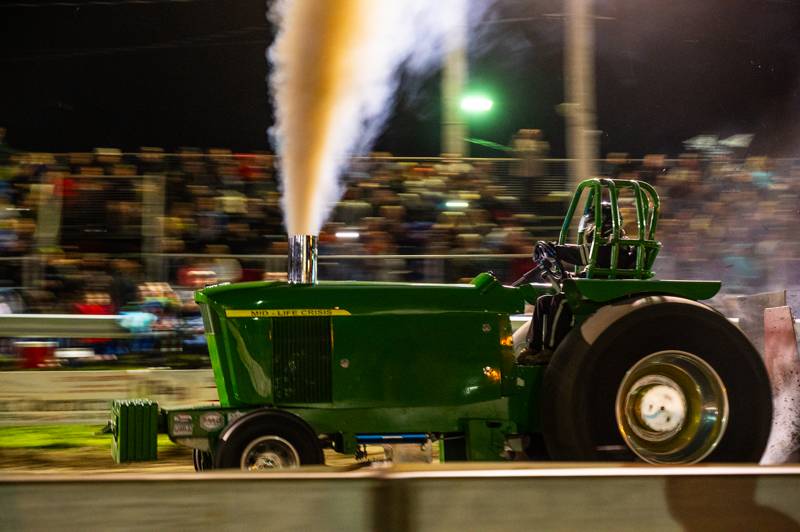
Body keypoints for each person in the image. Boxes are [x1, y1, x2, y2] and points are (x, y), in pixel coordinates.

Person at [518, 201, 635, 364]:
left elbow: (586, 255)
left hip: (607, 292)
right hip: (597, 287)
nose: (589, 227)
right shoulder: (606, 244)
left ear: (605, 222)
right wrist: (566, 273)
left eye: (592, 222)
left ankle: (551, 350)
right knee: (543, 301)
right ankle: (533, 346)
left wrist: (557, 249)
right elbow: (592, 269)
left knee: (562, 301)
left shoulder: (617, 243)